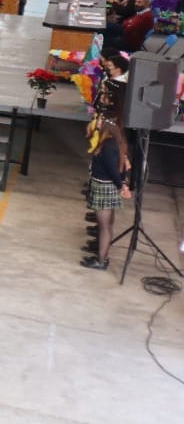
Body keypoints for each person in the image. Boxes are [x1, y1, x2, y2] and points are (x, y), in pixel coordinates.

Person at [82, 54, 131, 271]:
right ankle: (101, 255)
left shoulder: (110, 133)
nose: (101, 97)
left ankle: (101, 260)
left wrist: (122, 185)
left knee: (105, 226)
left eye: (104, 95)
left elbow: (112, 163)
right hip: (105, 181)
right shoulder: (112, 124)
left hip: (105, 184)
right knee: (105, 224)